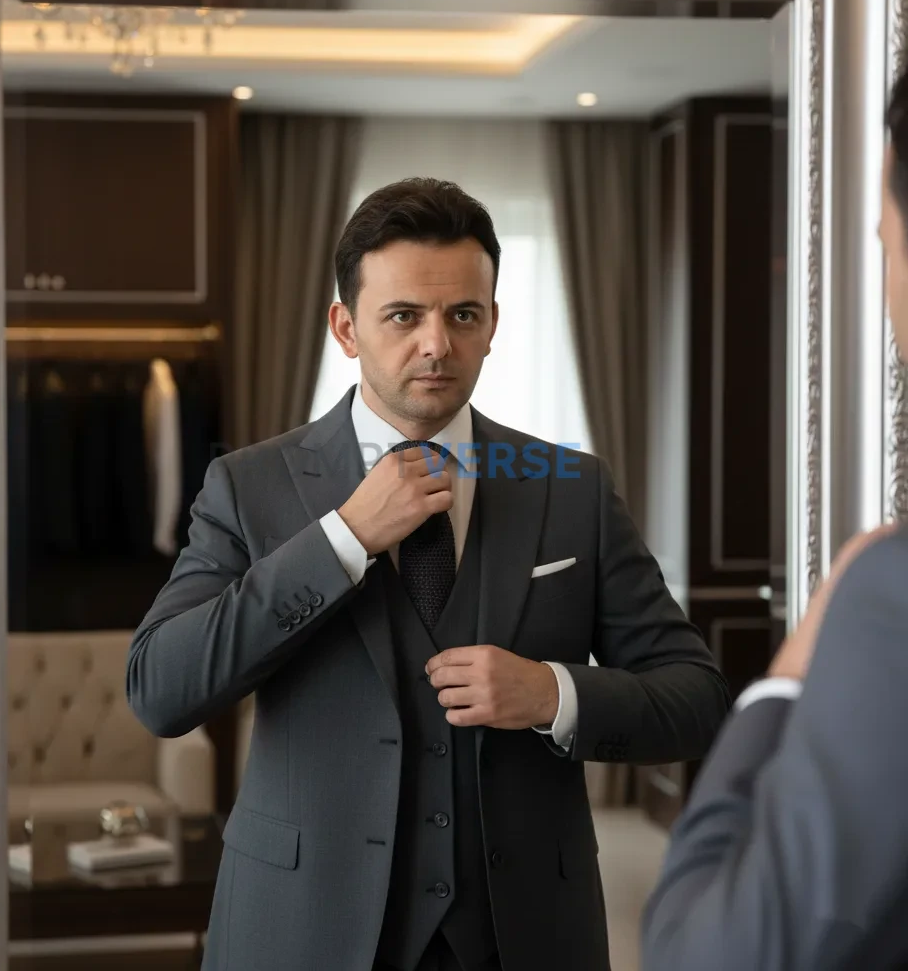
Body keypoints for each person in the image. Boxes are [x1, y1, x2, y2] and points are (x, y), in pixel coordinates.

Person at [127, 177, 730, 971]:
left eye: (462, 315)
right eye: (404, 316)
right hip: (303, 930)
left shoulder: (571, 489)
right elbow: (162, 689)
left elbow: (697, 697)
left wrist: (553, 693)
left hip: (523, 937)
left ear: (491, 327)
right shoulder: (251, 486)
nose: (436, 343)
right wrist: (343, 537)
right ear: (347, 328)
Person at [641, 68, 908, 971]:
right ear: (345, 325)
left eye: (882, 240)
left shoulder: (888, 589)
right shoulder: (246, 486)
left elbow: (707, 956)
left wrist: (787, 682)